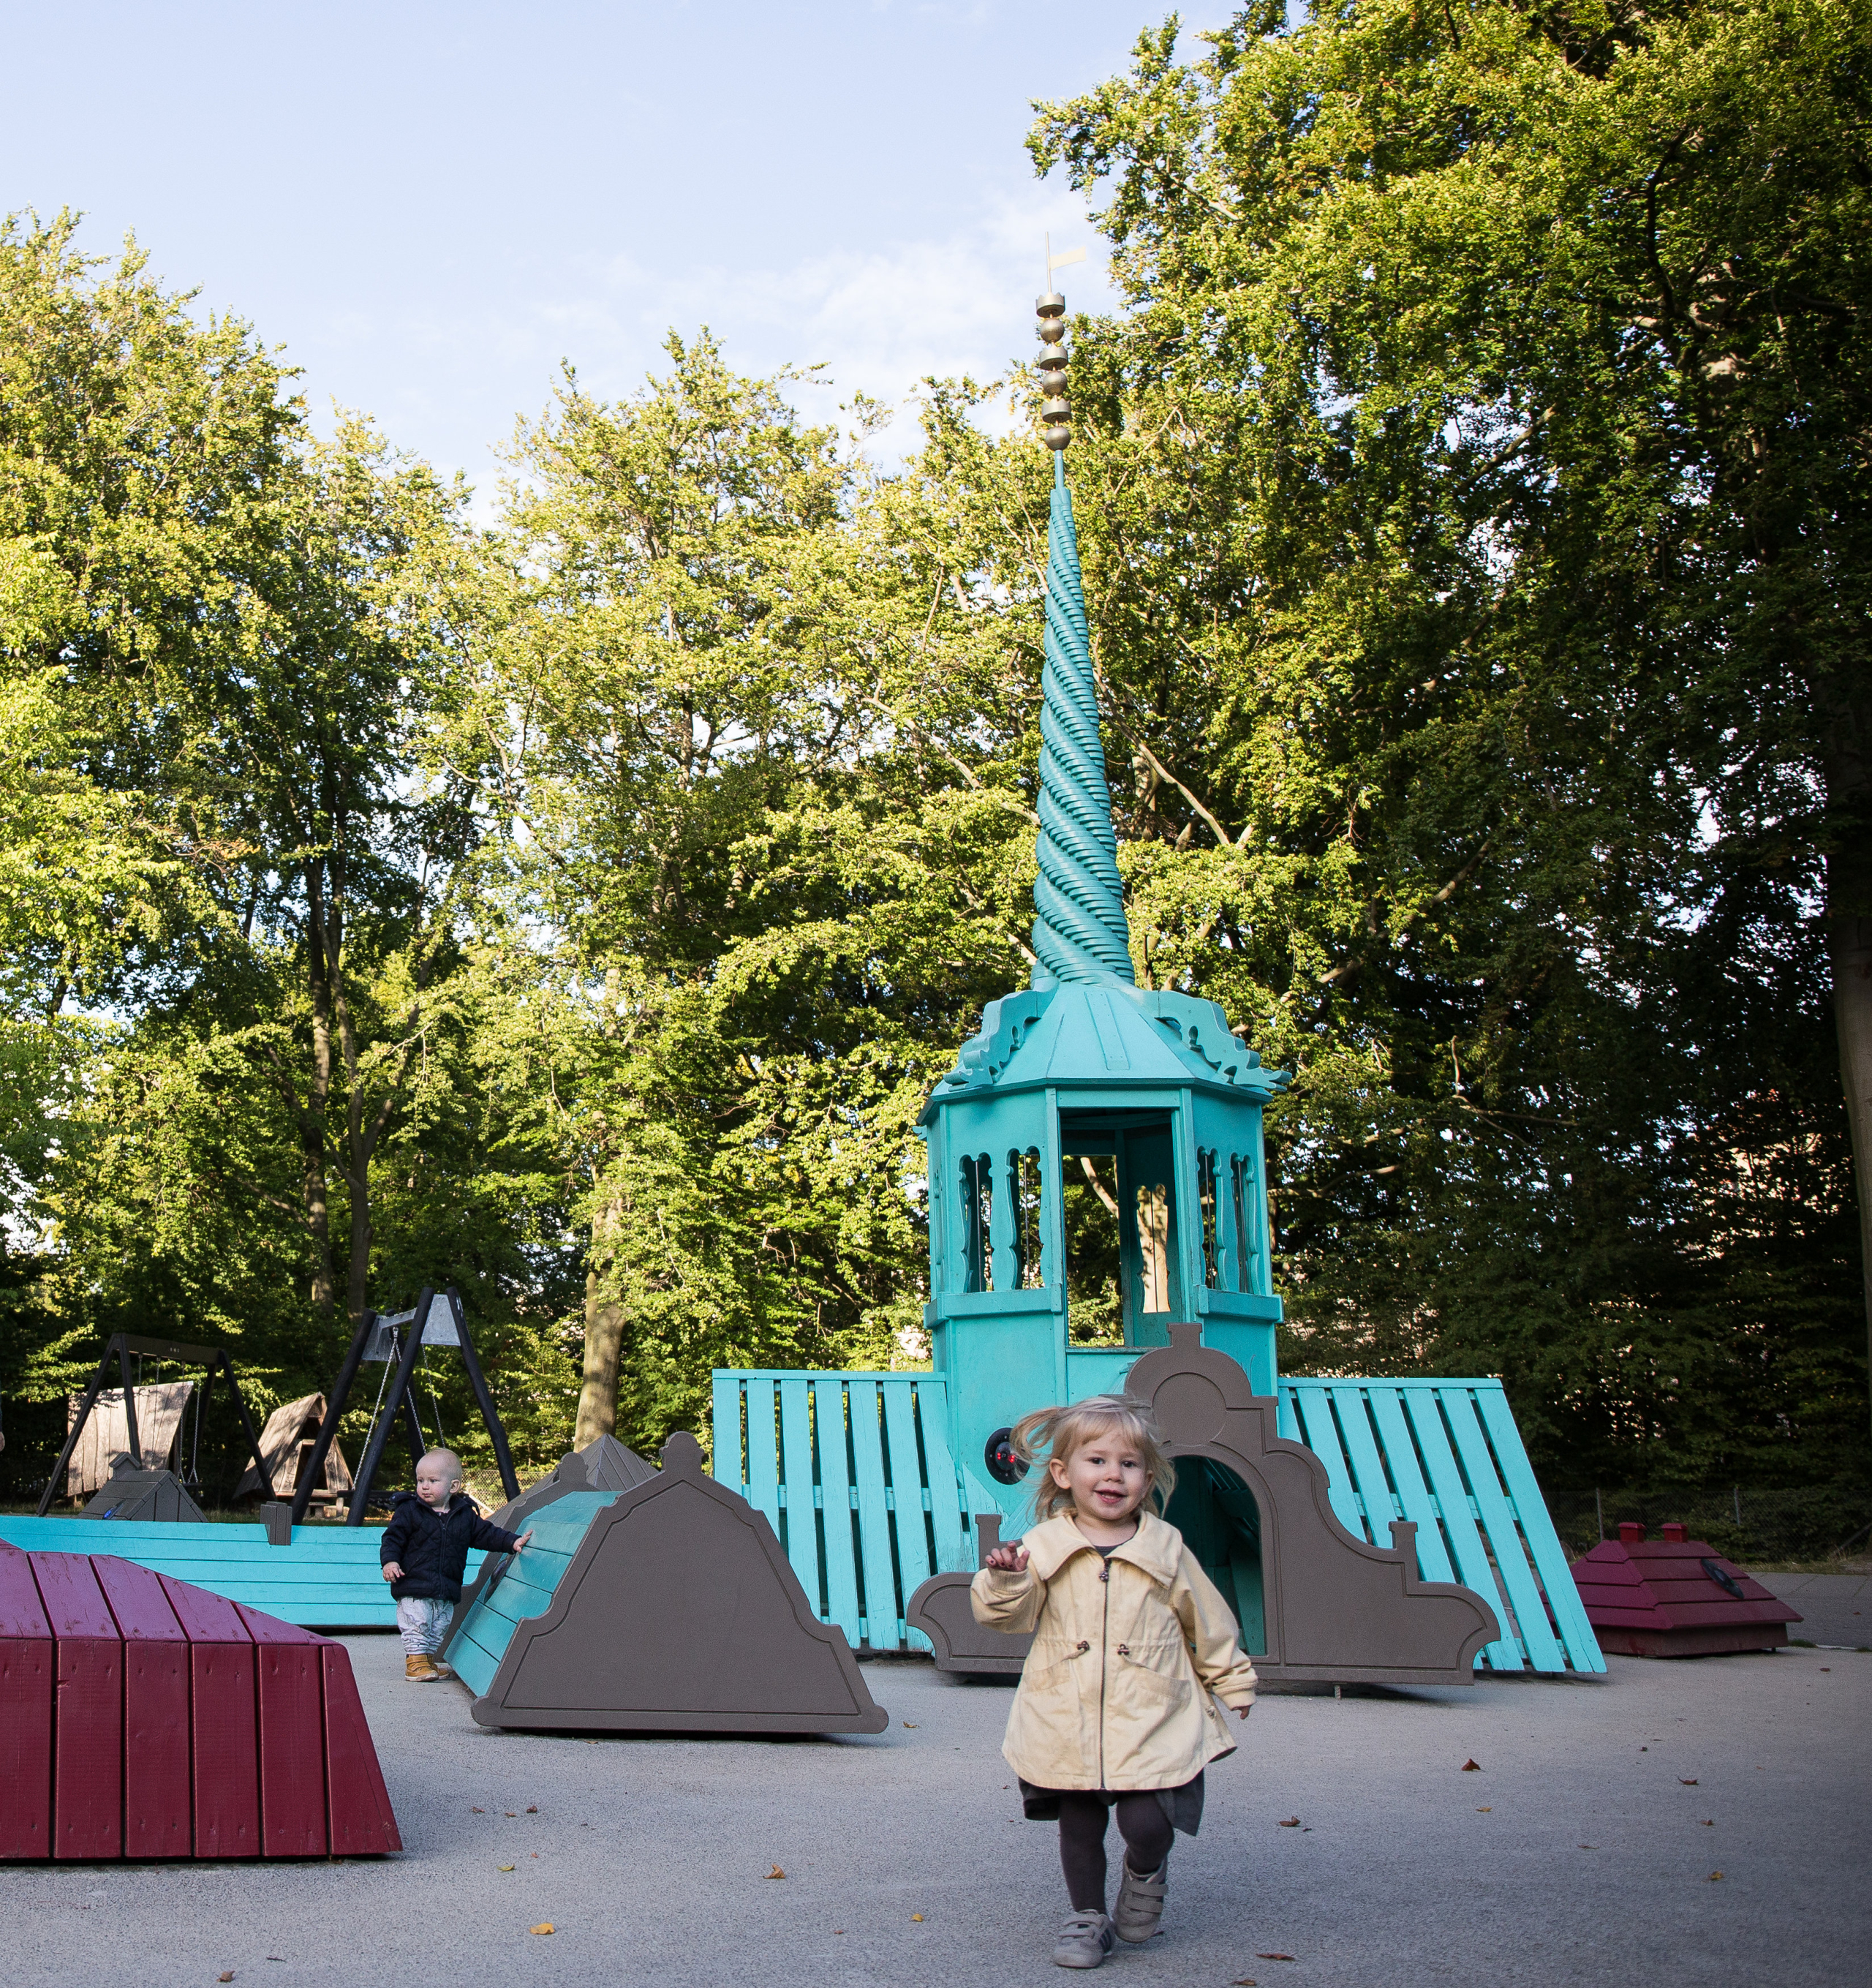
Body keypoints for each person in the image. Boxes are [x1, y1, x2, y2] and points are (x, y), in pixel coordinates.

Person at [971, 1395, 1258, 1969]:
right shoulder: (1043, 1547)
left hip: (1150, 1707)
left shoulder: (1164, 1548)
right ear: (1063, 1473)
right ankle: (1086, 1917)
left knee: (1147, 1821)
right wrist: (1006, 1583)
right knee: (1079, 1821)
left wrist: (1231, 1677)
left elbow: (1207, 1615)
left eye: (1128, 1464)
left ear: (1147, 1478)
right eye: (1096, 1461)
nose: (1112, 1475)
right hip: (1066, 1708)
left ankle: (1145, 1871)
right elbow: (1008, 1617)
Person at [380, 1447, 532, 1682]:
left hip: (446, 1587)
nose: (424, 1486)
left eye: (432, 1480)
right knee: (417, 1622)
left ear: (453, 1487)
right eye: (420, 1480)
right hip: (413, 1585)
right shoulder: (409, 1511)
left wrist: (512, 1542)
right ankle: (415, 1661)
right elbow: (392, 1538)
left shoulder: (464, 1515)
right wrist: (390, 1561)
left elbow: (487, 1534)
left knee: (439, 1626)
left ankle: (427, 1660)